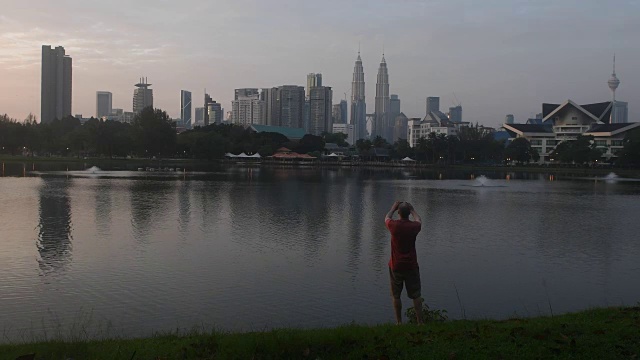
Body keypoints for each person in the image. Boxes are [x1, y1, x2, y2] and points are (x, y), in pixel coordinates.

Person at [385, 200, 423, 324]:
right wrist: (413, 210)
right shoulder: (413, 227)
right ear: (408, 213)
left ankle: (399, 323)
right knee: (416, 295)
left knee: (396, 296)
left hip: (396, 266)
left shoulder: (393, 226)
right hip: (411, 265)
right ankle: (420, 322)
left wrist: (393, 207)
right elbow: (419, 220)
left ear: (399, 213)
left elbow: (387, 217)